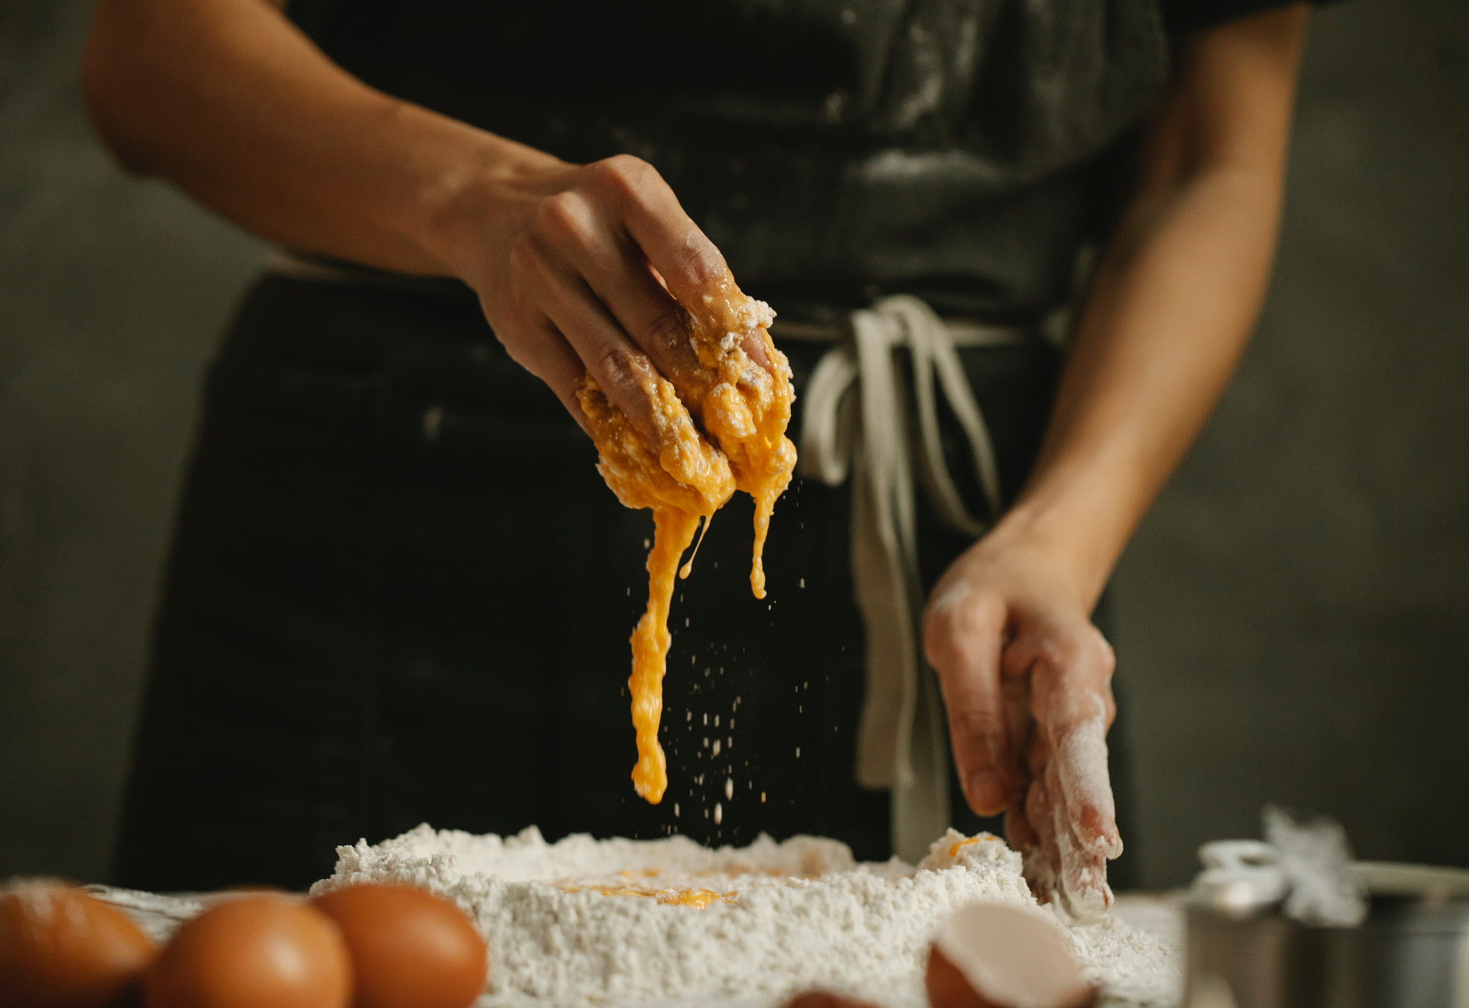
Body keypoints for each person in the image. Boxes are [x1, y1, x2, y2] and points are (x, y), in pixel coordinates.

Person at [82, 0, 1315, 910]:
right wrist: (471, 196)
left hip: (951, 523)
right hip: (382, 494)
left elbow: (1212, 158)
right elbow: (150, 56)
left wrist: (1060, 536)